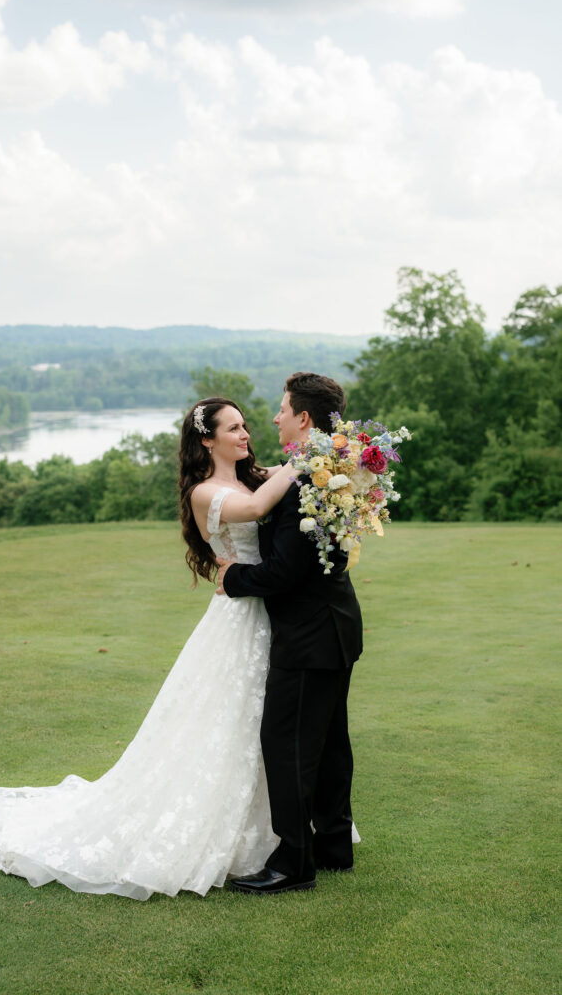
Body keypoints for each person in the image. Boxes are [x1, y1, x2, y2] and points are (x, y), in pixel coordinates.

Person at [0, 397, 297, 900]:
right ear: (207, 440)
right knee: (228, 720)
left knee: (262, 721)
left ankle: (278, 830)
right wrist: (306, 459)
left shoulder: (252, 475)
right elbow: (259, 508)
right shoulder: (208, 492)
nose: (246, 435)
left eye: (246, 426)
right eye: (235, 428)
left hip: (265, 609)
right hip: (238, 618)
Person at [217, 372, 363, 895]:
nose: (274, 418)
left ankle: (293, 864)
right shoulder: (330, 471)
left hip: (308, 635)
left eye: (282, 409)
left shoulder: (307, 481)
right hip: (336, 626)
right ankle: (332, 848)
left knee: (287, 746)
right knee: (329, 745)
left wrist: (231, 577)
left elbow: (284, 572)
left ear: (303, 418)